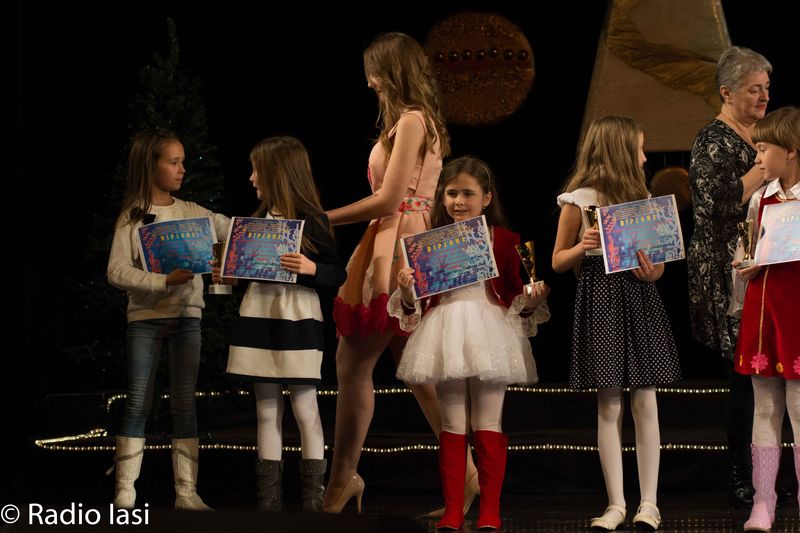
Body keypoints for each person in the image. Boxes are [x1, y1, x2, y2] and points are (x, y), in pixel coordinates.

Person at [323, 32, 477, 515]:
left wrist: (321, 218)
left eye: (373, 72)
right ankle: (467, 476)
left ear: (390, 71)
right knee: (416, 373)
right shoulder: (414, 121)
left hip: (398, 245)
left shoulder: (412, 121)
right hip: (399, 239)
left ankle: (341, 481)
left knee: (353, 365)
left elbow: (390, 199)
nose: (370, 82)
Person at [390, 156, 550, 530]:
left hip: (489, 330)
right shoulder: (429, 245)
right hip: (445, 331)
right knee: (451, 423)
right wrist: (407, 290)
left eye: (467, 193)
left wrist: (532, 301)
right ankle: (453, 508)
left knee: (488, 421)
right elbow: (416, 306)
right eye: (451, 193)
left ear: (486, 197)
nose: (459, 201)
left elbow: (515, 295)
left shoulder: (504, 240)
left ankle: (490, 509)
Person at [552, 116, 682, 531]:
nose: (644, 157)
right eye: (639, 148)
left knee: (645, 399)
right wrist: (582, 247)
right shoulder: (579, 200)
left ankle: (649, 503)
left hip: (638, 296)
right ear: (619, 150)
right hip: (602, 299)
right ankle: (615, 504)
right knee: (608, 403)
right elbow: (557, 260)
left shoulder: (642, 199)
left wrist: (652, 272)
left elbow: (658, 265)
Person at [213, 137, 346, 512]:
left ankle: (312, 501)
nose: (252, 177)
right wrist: (228, 276)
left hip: (297, 319)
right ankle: (268, 502)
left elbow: (338, 273)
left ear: (278, 173)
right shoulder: (252, 224)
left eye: (257, 169)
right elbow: (242, 271)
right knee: (267, 411)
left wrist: (312, 268)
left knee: (305, 408)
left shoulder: (313, 221)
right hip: (260, 316)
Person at [107, 128, 230, 510]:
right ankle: (125, 492)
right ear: (152, 165)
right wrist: (163, 281)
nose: (181, 169)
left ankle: (186, 493)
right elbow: (116, 270)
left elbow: (232, 229)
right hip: (145, 318)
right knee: (138, 401)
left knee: (184, 403)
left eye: (182, 162)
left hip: (186, 318)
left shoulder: (194, 213)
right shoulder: (133, 217)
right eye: (173, 162)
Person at [687, 46, 772, 506]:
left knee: (768, 373)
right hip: (726, 271)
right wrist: (761, 169)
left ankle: (768, 471)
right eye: (754, 89)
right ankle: (741, 474)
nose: (764, 97)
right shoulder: (711, 141)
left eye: (766, 88)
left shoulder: (768, 134)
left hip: (767, 263)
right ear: (727, 92)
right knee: (743, 375)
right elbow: (714, 205)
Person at [731, 107, 800, 531]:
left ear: (790, 151)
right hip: (764, 311)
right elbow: (749, 246)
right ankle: (764, 502)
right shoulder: (762, 198)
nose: (757, 158)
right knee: (765, 406)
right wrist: (746, 263)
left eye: (763, 149)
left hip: (797, 311)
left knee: (798, 405)